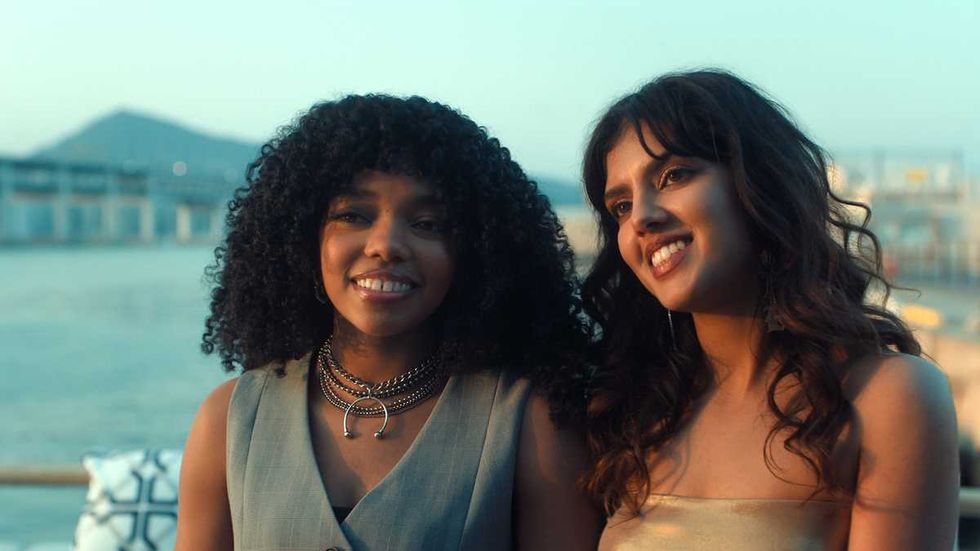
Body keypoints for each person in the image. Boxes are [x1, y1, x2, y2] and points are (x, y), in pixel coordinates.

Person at [175, 95, 601, 550]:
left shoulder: (530, 423)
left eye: (428, 223)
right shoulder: (230, 420)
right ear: (302, 237)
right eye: (352, 216)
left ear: (475, 252)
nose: (385, 245)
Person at [580, 70, 959, 550]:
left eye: (674, 175)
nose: (642, 217)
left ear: (756, 184)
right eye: (620, 205)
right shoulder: (635, 419)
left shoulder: (884, 397)